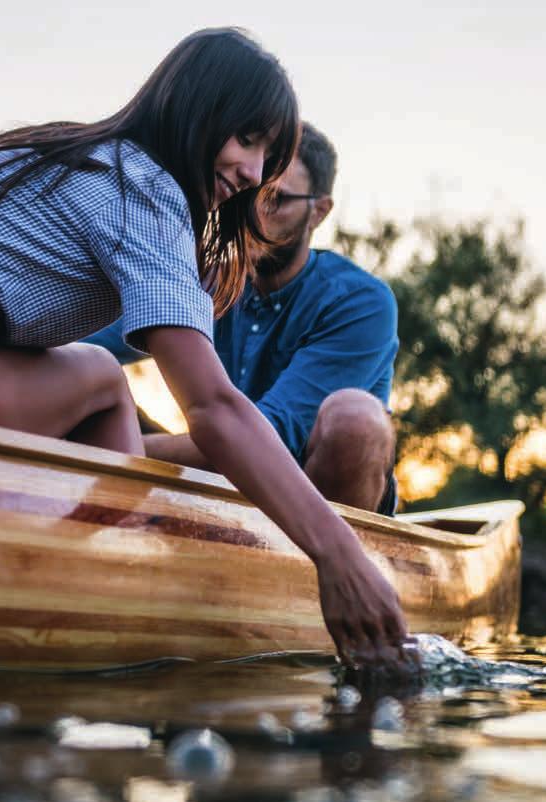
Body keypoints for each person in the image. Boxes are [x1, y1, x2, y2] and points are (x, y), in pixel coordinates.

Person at [0, 28, 407, 667]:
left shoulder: (61, 153)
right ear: (195, 106)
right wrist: (337, 552)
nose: (251, 174)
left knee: (99, 376)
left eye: (269, 158)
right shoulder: (145, 194)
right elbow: (213, 407)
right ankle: (119, 596)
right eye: (247, 139)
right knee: (103, 378)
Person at [89, 122, 398, 514]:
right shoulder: (204, 279)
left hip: (313, 487)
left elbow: (278, 436)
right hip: (225, 482)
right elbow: (85, 340)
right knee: (84, 372)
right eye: (250, 196)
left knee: (356, 420)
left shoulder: (360, 301)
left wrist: (112, 449)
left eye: (276, 200)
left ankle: (342, 564)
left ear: (318, 211)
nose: (254, 215)